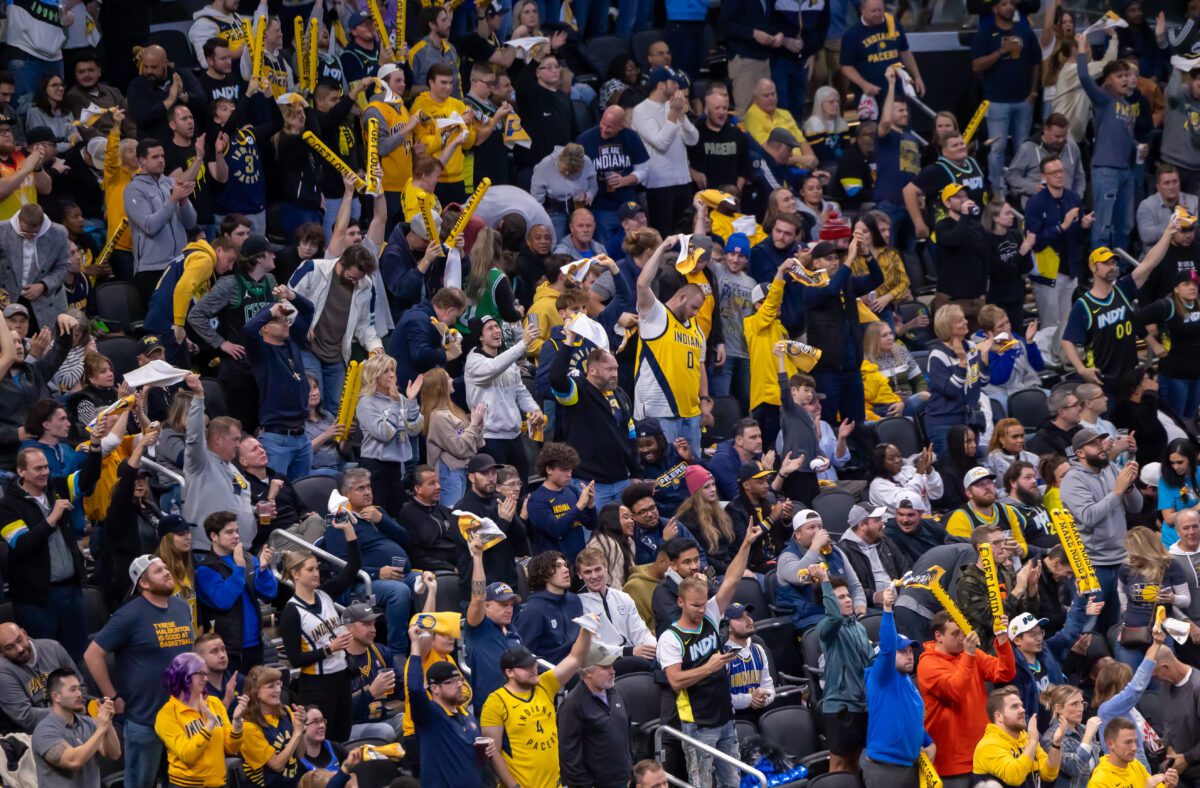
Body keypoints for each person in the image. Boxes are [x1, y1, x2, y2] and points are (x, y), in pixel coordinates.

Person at [657, 521, 765, 788]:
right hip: (697, 722)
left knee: (732, 782)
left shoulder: (711, 614)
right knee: (702, 784)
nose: (701, 609)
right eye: (695, 605)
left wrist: (746, 544)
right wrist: (710, 666)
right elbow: (675, 681)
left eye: (704, 603)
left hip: (724, 715)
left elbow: (732, 579)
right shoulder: (670, 638)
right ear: (680, 602)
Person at [84, 555, 195, 788]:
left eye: (166, 568)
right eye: (158, 571)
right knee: (140, 782)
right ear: (143, 583)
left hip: (182, 714)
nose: (167, 572)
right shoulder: (130, 614)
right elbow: (92, 655)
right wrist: (112, 697)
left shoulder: (182, 607)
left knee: (181, 781)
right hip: (146, 717)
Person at [277, 515, 361, 742]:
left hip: (341, 677)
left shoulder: (325, 593)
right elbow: (295, 659)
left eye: (317, 569)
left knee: (343, 735)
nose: (317, 573)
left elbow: (353, 568)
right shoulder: (291, 613)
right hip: (316, 685)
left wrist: (349, 532)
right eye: (310, 570)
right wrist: (329, 649)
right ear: (295, 574)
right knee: (322, 740)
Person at [481, 626, 594, 788]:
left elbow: (576, 658)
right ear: (509, 672)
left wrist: (586, 628)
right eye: (527, 667)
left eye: (533, 664)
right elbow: (493, 753)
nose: (534, 669)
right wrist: (513, 786)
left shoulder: (545, 684)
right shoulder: (496, 701)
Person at [918, 609, 1016, 787]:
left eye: (963, 630)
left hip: (982, 755)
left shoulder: (970, 654)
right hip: (951, 764)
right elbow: (956, 691)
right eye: (955, 633)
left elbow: (1005, 672)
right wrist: (969, 655)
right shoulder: (928, 664)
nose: (962, 637)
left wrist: (1002, 640)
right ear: (938, 636)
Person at [1061, 429, 1143, 635]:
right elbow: (1088, 516)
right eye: (1094, 444)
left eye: (1101, 442)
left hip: (1121, 560)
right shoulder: (1072, 480)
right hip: (1093, 565)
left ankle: (1114, 667)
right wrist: (1117, 491)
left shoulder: (1111, 469)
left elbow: (1136, 507)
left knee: (1119, 624)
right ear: (1080, 453)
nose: (1101, 447)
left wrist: (1129, 486)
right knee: (1088, 627)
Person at [633, 236, 707, 454]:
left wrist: (704, 399)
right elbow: (641, 284)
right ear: (682, 296)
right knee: (665, 473)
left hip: (691, 412)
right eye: (694, 307)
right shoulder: (656, 314)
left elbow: (700, 365)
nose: (695, 313)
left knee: (693, 473)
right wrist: (664, 247)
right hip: (659, 410)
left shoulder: (696, 328)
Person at [549, 340, 638, 512]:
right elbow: (556, 379)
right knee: (593, 536)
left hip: (622, 481)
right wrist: (568, 343)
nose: (615, 374)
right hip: (590, 484)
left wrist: (636, 472)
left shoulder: (620, 394)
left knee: (623, 536)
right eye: (609, 369)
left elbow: (631, 435)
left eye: (616, 369)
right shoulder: (577, 391)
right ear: (592, 370)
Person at [803, 235, 884, 423]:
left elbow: (877, 279)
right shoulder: (809, 285)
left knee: (857, 424)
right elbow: (830, 290)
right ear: (816, 263)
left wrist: (867, 255)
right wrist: (849, 260)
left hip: (852, 369)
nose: (835, 263)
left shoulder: (847, 283)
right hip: (827, 371)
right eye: (829, 259)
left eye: (836, 258)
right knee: (827, 424)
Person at [405, 618, 492, 788]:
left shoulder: (468, 718)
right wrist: (415, 645)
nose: (459, 684)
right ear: (435, 688)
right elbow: (415, 689)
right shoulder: (430, 716)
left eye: (459, 679)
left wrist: (487, 752)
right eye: (451, 682)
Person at [862, 586, 933, 787]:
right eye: (902, 651)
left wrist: (928, 742)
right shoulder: (882, 677)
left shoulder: (907, 681)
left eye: (911, 650)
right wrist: (887, 609)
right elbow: (887, 647)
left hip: (909, 766)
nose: (910, 655)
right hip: (886, 770)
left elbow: (912, 719)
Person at [1025, 155, 1093, 366]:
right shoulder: (1036, 203)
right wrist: (1061, 227)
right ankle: (1049, 366)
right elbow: (1034, 242)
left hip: (1070, 269)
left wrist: (1083, 226)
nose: (1059, 175)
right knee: (1050, 326)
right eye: (1054, 172)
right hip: (1047, 273)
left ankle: (1067, 362)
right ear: (1044, 177)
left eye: (1061, 171)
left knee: (1068, 324)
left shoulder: (1073, 198)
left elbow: (1081, 238)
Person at [970, 0, 1041, 199]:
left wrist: (1034, 92)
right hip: (996, 99)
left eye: (1011, 3)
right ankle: (998, 190)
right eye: (1003, 4)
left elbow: (1036, 62)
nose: (1009, 7)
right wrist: (1001, 51)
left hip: (1023, 100)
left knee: (1023, 147)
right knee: (997, 148)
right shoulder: (986, 33)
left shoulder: (1024, 31)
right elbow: (976, 66)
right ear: (994, 8)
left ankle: (1020, 188)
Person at [1075, 39, 1138, 252]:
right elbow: (1084, 77)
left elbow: (1125, 136)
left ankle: (1119, 270)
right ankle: (1097, 269)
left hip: (1126, 172)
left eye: (1126, 76)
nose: (1124, 79)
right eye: (1119, 76)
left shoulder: (1128, 106)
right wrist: (1082, 49)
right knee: (1103, 226)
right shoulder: (1103, 99)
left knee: (1125, 225)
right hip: (1106, 170)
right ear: (1108, 81)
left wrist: (1138, 146)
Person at [196, 511, 278, 673]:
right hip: (228, 649)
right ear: (214, 536)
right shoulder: (206, 569)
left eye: (237, 531)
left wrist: (262, 570)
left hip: (256, 644)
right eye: (229, 532)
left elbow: (270, 593)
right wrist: (239, 569)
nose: (236, 536)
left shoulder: (248, 558)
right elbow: (223, 600)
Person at [155, 651, 247, 788]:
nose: (206, 679)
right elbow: (188, 755)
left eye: (206, 674)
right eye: (200, 674)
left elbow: (231, 748)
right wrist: (209, 724)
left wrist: (237, 723)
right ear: (184, 675)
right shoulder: (167, 715)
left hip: (219, 783)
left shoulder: (214, 703)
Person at [124, 138, 197, 301]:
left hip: (180, 264)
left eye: (162, 156)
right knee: (160, 321)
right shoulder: (133, 190)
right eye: (155, 157)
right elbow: (150, 226)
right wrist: (173, 200)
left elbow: (191, 223)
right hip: (152, 269)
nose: (161, 160)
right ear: (142, 160)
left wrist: (183, 201)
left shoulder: (172, 183)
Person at [631, 68, 699, 233]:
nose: (677, 86)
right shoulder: (641, 110)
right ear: (661, 85)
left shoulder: (673, 106)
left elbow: (693, 139)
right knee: (664, 235)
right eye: (673, 82)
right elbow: (661, 142)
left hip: (683, 181)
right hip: (659, 184)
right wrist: (674, 114)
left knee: (685, 234)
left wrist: (681, 116)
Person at [356, 354, 424, 518]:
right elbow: (383, 434)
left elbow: (414, 430)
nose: (392, 375)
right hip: (375, 467)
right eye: (386, 371)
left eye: (393, 370)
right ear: (374, 375)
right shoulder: (366, 402)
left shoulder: (399, 398)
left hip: (396, 466)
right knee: (378, 517)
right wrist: (395, 405)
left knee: (396, 516)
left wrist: (411, 401)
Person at [557, 641, 632, 788]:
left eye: (612, 666)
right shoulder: (573, 705)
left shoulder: (617, 693)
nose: (613, 671)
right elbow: (569, 755)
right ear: (588, 672)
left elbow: (627, 734)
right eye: (605, 667)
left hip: (624, 781)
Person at [463, 534, 524, 715]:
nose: (509, 609)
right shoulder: (478, 629)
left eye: (511, 605)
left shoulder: (513, 632)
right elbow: (478, 596)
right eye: (503, 604)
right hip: (492, 712)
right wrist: (478, 557)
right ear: (487, 606)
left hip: (520, 707)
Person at [777, 509, 867, 629]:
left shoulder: (835, 551)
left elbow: (854, 585)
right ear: (798, 534)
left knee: (874, 620)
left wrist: (860, 611)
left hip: (843, 613)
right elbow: (798, 577)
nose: (818, 531)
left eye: (820, 527)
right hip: (809, 618)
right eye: (811, 527)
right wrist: (815, 546)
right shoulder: (787, 557)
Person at [32, 670, 120, 788]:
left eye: (79, 689)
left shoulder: (87, 723)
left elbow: (114, 753)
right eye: (73, 689)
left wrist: (108, 722)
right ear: (56, 696)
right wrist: (101, 729)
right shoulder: (44, 731)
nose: (79, 694)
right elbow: (73, 761)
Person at [576, 546, 657, 673]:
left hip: (635, 655)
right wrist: (629, 651)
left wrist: (654, 648)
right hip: (604, 662)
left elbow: (641, 633)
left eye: (598, 569)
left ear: (606, 568)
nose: (594, 576)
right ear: (580, 575)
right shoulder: (578, 604)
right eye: (588, 572)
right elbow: (593, 647)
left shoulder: (623, 597)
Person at [1117, 526, 1189, 667]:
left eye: (1134, 552)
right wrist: (1125, 612)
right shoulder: (1126, 567)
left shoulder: (1170, 565)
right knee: (1129, 679)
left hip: (1162, 635)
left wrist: (1173, 599)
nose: (1130, 556)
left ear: (1146, 551)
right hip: (1131, 633)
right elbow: (1120, 590)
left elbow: (1186, 600)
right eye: (1128, 551)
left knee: (1160, 683)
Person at [926, 303, 990, 458]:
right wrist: (962, 361)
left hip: (969, 421)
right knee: (952, 468)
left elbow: (983, 381)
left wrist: (984, 358)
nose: (966, 322)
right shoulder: (937, 355)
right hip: (944, 424)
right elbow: (951, 391)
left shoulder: (971, 346)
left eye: (964, 319)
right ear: (948, 326)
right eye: (960, 320)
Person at [1135, 270, 1200, 419]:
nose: (1193, 287)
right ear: (1176, 289)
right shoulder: (1166, 306)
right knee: (1175, 419)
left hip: (1197, 374)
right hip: (1175, 375)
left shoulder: (1198, 304)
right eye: (1187, 284)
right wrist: (1153, 344)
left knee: (1190, 420)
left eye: (1195, 283)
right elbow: (1135, 320)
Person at [972, 685, 1063, 785]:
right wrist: (1033, 741)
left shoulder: (1026, 738)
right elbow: (1014, 777)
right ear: (998, 717)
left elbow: (1049, 774)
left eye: (1021, 705)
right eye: (1015, 707)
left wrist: (1056, 745)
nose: (1022, 710)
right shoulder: (988, 746)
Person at [0, 622, 75, 734]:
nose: (19, 649)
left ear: (24, 633)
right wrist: (66, 710)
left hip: (74, 719)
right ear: (1, 652)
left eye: (19, 640)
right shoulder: (3, 672)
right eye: (10, 647)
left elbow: (80, 685)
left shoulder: (53, 648)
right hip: (38, 733)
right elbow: (26, 717)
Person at [514, 551, 584, 664]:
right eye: (558, 566)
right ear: (543, 572)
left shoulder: (574, 601)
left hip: (580, 663)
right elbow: (522, 655)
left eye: (565, 565)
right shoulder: (533, 611)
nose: (566, 570)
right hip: (553, 673)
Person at [240, 664, 305, 787]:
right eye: (271, 686)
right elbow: (277, 765)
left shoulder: (286, 711)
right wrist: (296, 734)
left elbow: (301, 754)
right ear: (255, 692)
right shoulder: (248, 727)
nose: (278, 690)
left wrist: (301, 730)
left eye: (278, 684)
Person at [1006, 113, 1086, 207]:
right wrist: (1033, 188)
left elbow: (1079, 177)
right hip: (1036, 209)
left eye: (1064, 136)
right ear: (1046, 130)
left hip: (1067, 208)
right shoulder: (1027, 149)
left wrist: (1076, 199)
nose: (1061, 140)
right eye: (1057, 136)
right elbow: (1012, 175)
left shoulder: (1072, 146)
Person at [840, 504, 911, 607]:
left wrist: (907, 590)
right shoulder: (844, 550)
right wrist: (873, 596)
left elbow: (904, 569)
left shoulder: (885, 541)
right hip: (870, 608)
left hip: (900, 601)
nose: (882, 524)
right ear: (862, 526)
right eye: (877, 520)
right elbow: (845, 588)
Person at [1088, 717, 1179, 787]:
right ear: (1110, 744)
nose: (1134, 748)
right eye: (1128, 742)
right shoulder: (1099, 781)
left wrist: (1168, 785)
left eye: (1135, 741)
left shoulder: (1135, 765)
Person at [723, 602, 775, 717]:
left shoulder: (759, 649)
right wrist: (750, 699)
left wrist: (765, 699)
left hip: (760, 714)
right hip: (733, 719)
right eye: (741, 618)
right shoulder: (721, 655)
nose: (749, 620)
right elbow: (720, 698)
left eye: (748, 615)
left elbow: (769, 686)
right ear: (728, 626)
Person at [1138, 164, 1199, 244]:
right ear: (1158, 187)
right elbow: (1146, 236)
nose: (1172, 187)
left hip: (1188, 251)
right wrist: (1173, 222)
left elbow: (1198, 231)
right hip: (1158, 253)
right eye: (1167, 183)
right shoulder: (1147, 205)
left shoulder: (1193, 201)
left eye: (1175, 182)